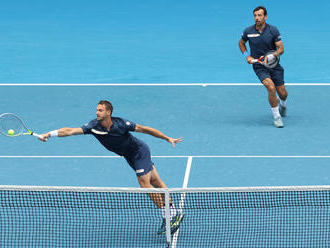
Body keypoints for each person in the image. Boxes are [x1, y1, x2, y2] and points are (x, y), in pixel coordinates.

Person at [39, 100, 184, 235]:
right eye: (97, 110)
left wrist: (167, 138)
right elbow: (70, 131)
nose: (97, 113)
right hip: (128, 155)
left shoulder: (122, 124)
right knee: (156, 182)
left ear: (109, 112)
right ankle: (173, 212)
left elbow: (145, 129)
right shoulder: (93, 127)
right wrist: (49, 134)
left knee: (144, 184)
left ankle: (168, 215)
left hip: (139, 151)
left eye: (100, 110)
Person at [239, 6, 288, 128]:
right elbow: (241, 43)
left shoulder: (273, 30)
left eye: (260, 15)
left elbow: (281, 49)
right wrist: (247, 56)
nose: (257, 18)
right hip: (259, 66)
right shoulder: (248, 31)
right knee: (270, 87)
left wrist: (272, 56)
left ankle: (283, 104)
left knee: (282, 93)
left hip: (274, 65)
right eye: (255, 15)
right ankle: (277, 117)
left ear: (265, 17)